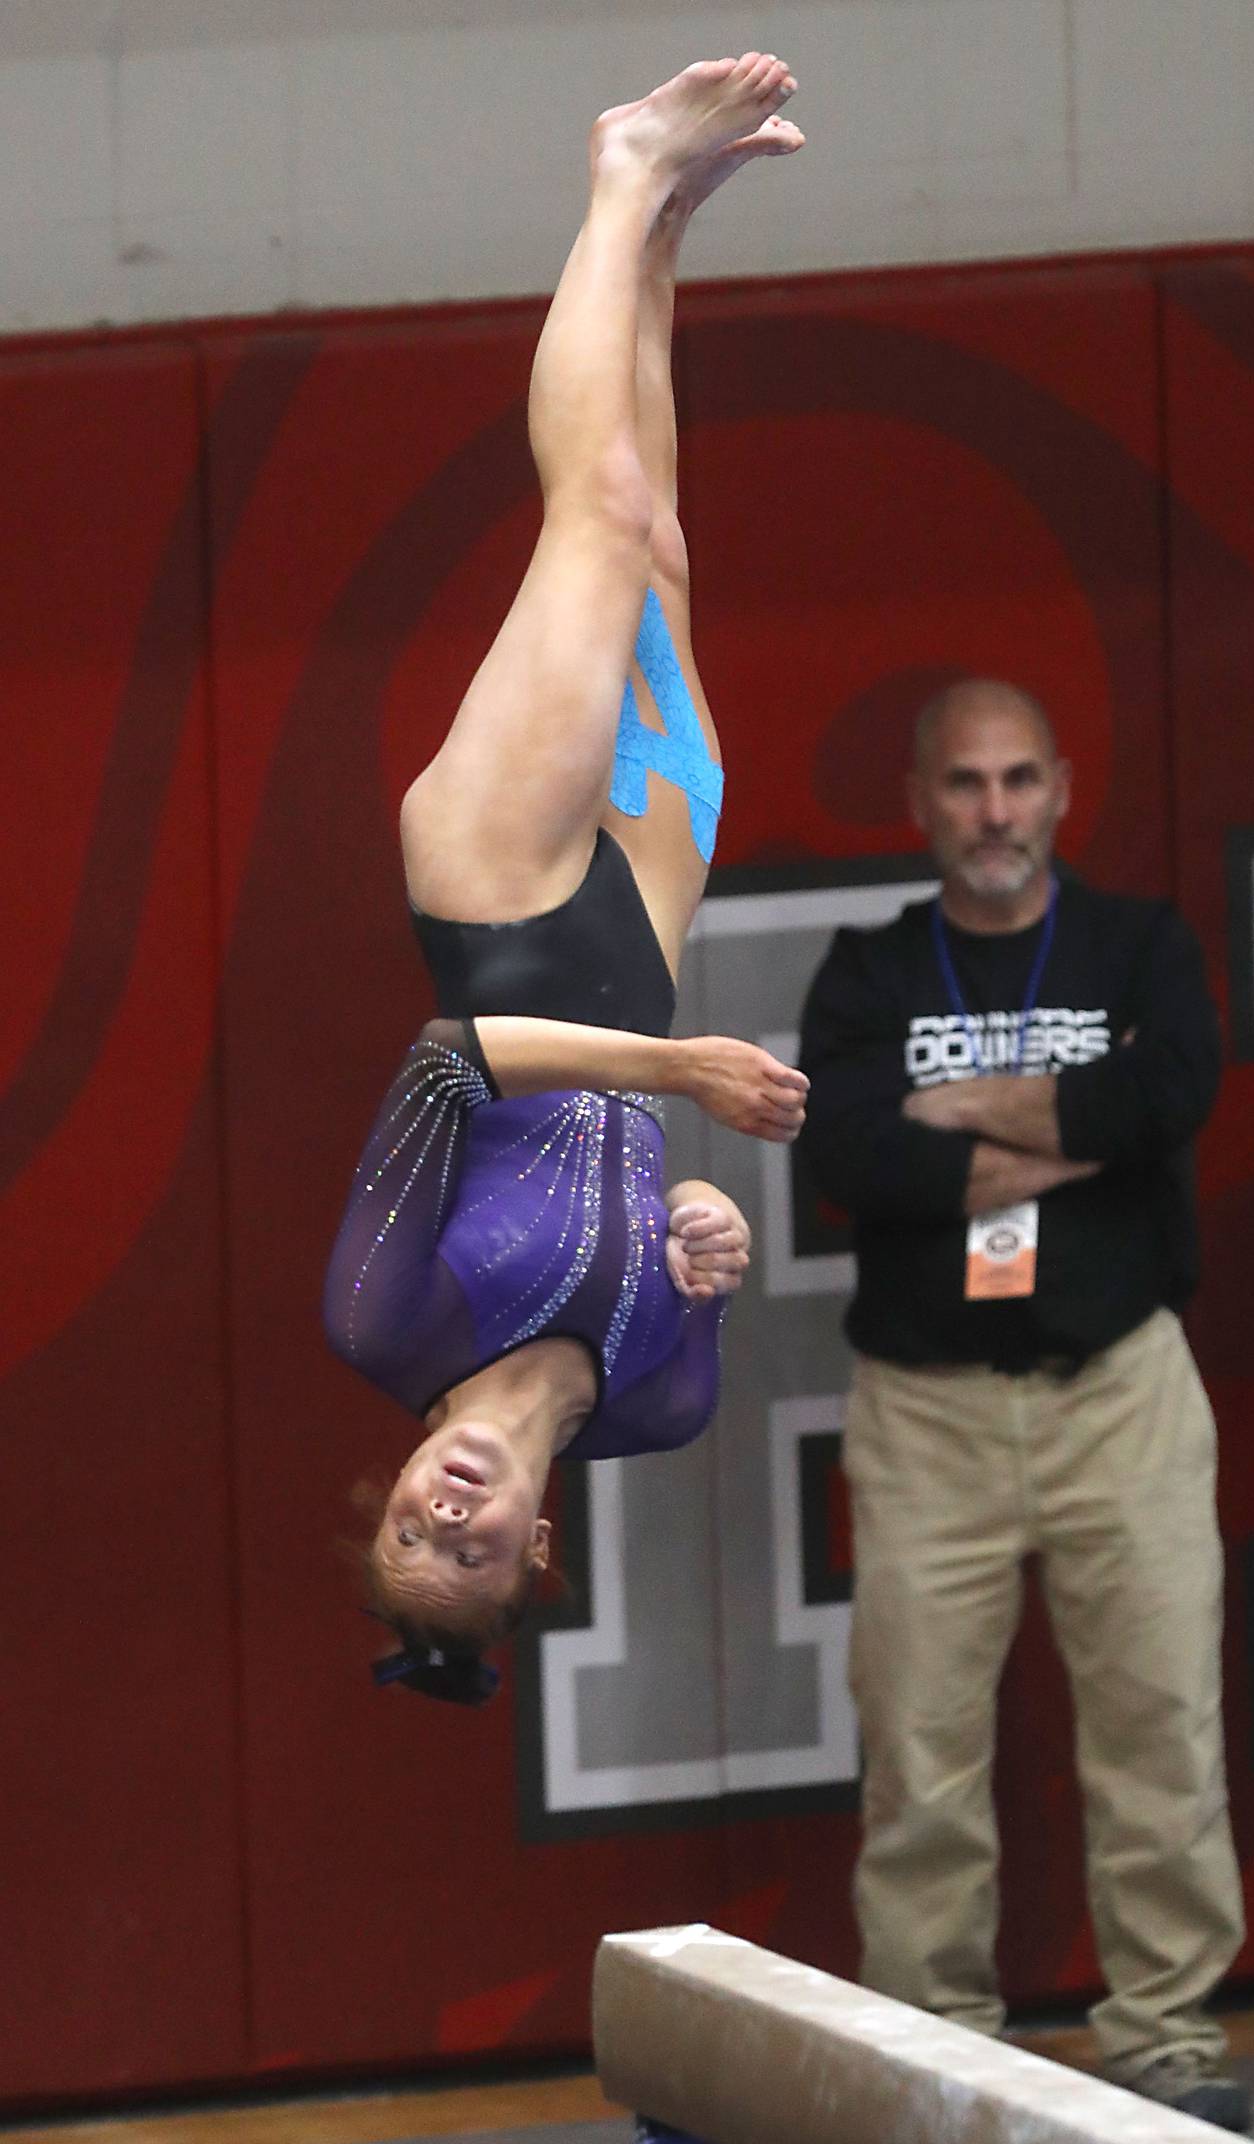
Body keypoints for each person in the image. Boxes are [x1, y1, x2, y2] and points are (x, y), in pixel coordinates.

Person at [324, 56, 808, 1705]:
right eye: (463, 1548)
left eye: (403, 1527)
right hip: (641, 941)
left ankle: (618, 169)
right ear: (535, 1546)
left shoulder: (387, 1329)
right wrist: (711, 1223)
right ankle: (668, 223)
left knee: (591, 517)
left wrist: (677, 1077)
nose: (440, 1510)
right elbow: (700, 1238)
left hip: (502, 906)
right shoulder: (662, 1402)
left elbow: (448, 1059)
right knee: (656, 539)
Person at [798, 679, 1249, 2128]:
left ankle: (1169, 2040)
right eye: (964, 784)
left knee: (1161, 1734)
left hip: (1121, 1392)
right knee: (919, 1757)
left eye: (1017, 781)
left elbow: (1171, 1092)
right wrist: (1074, 1118)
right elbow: (855, 1151)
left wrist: (960, 1116)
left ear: (1059, 787)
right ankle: (942, 2060)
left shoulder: (1140, 945)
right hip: (926, 1416)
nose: (994, 811)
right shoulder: (869, 974)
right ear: (922, 800)